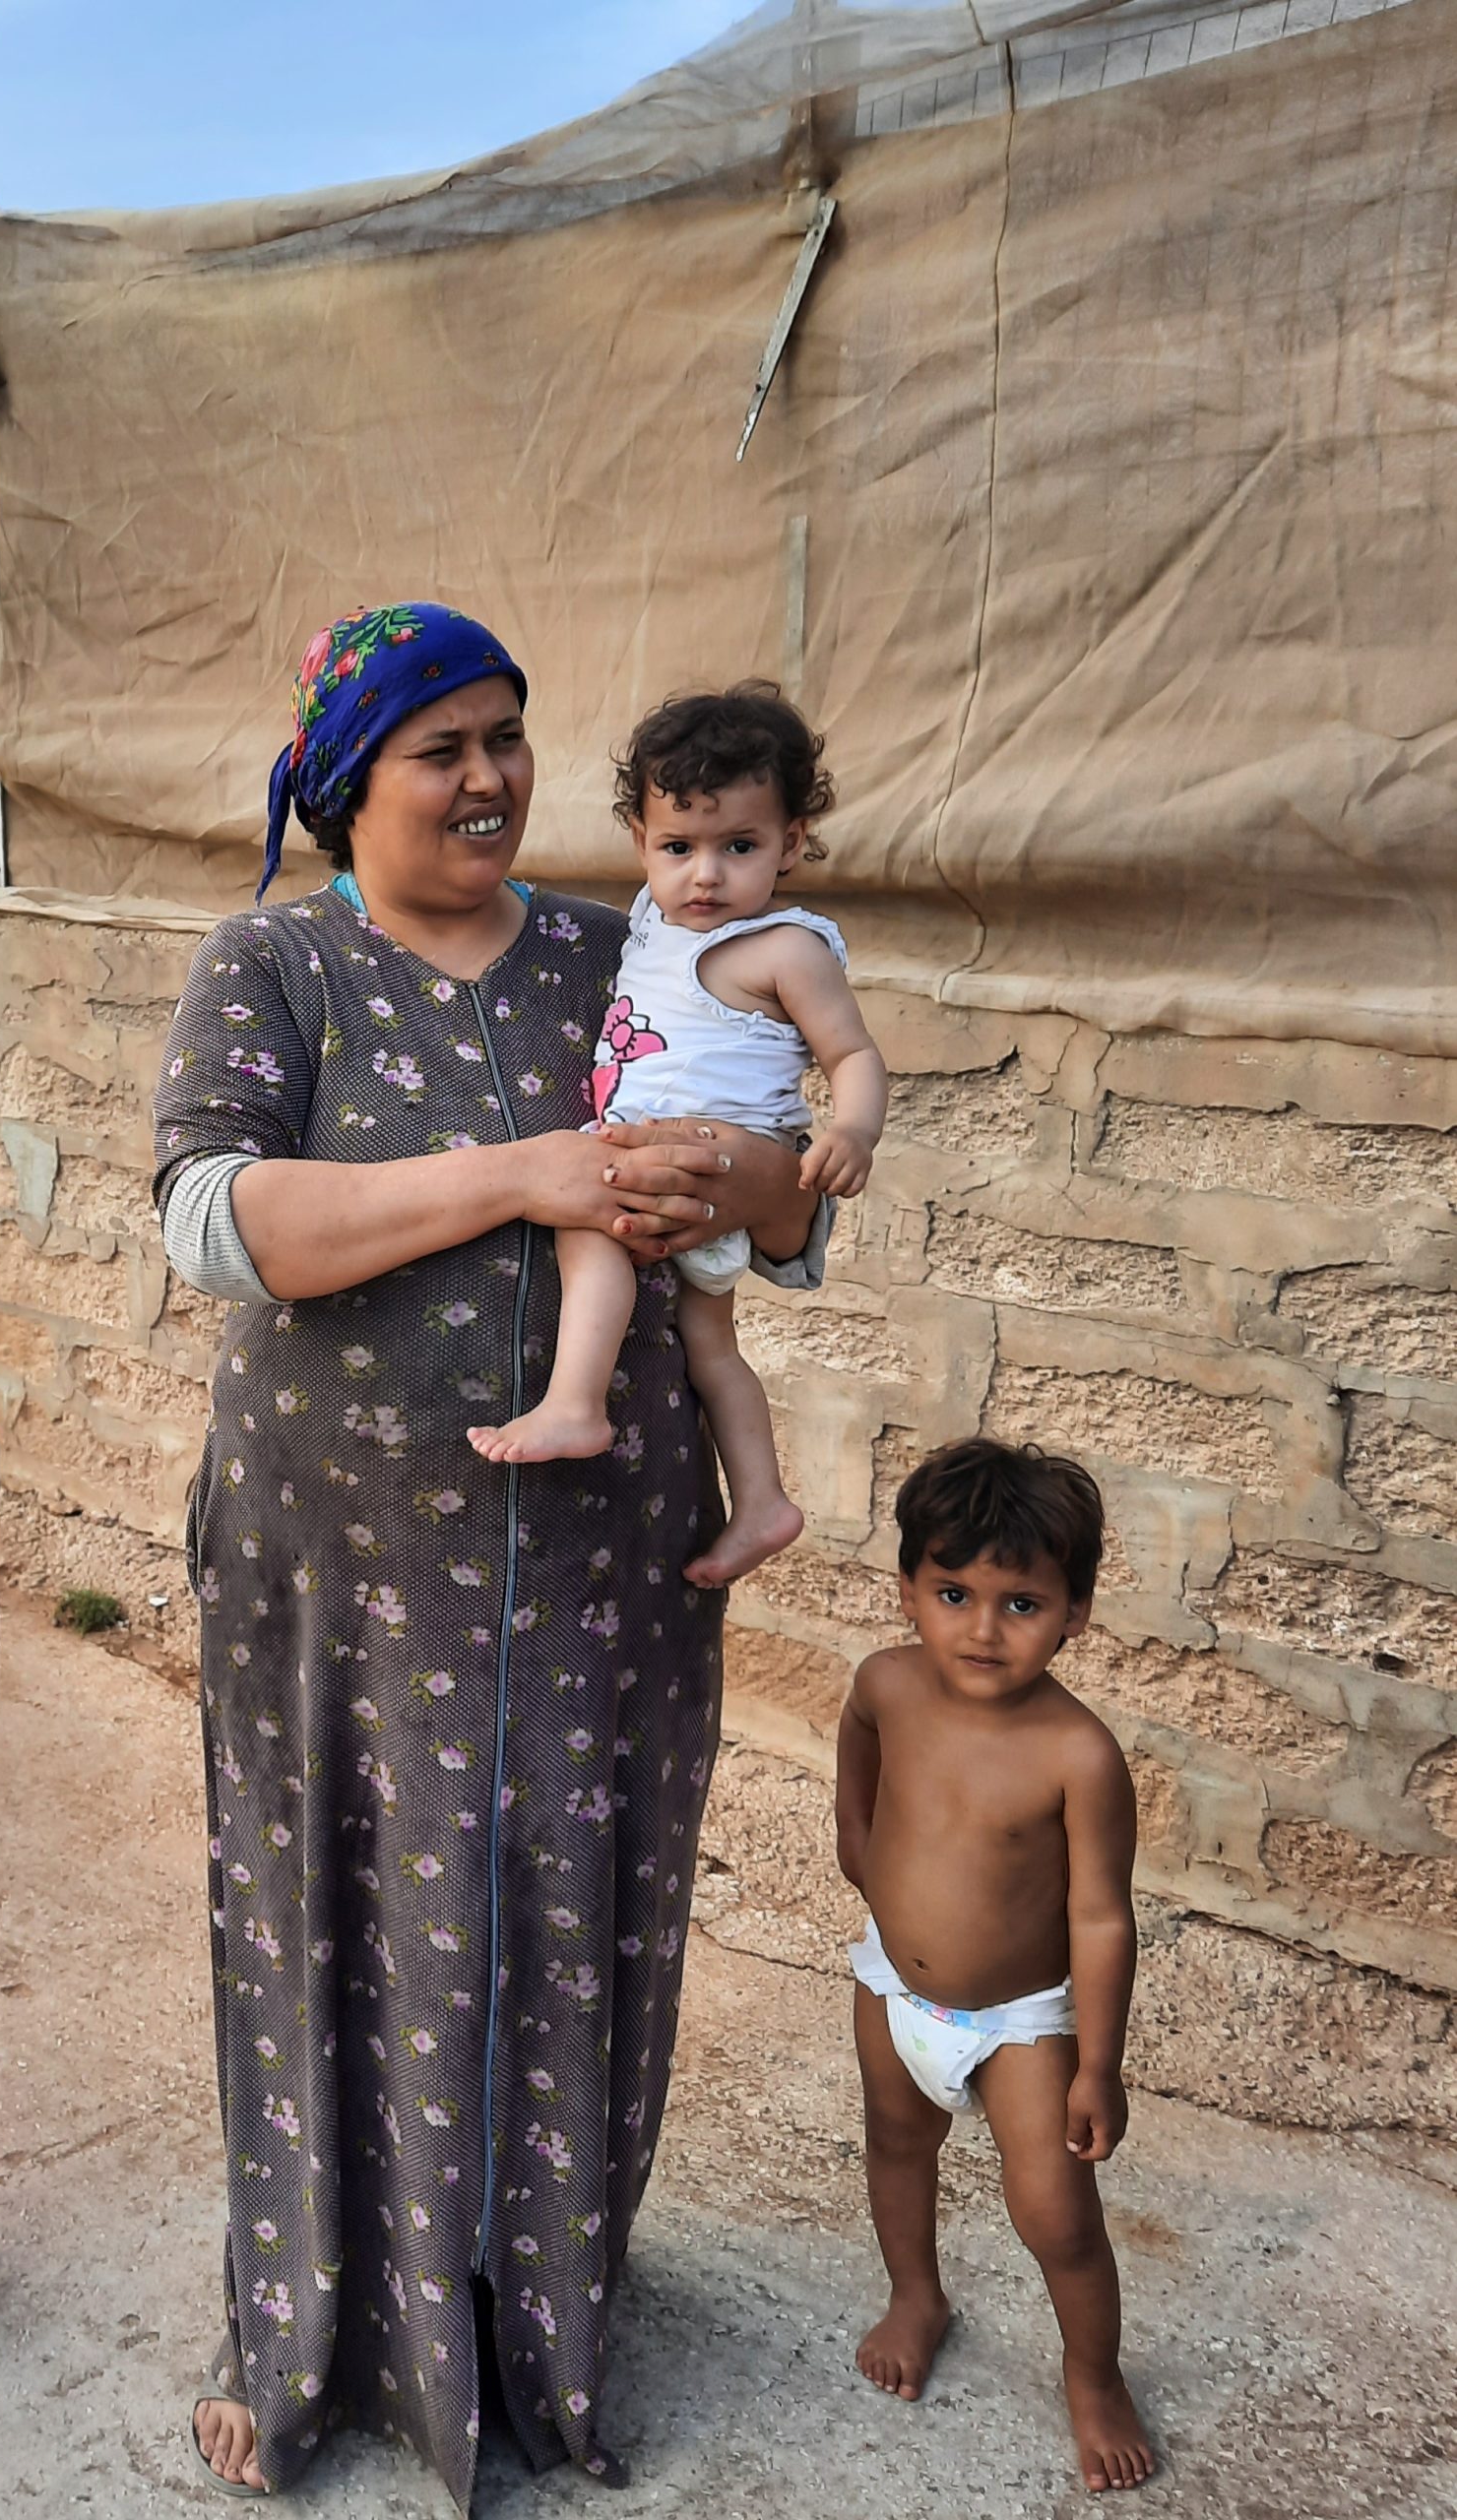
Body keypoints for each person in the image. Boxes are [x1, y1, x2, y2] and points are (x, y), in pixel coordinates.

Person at [156, 602, 815, 2509]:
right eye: (440, 745)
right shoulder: (274, 964)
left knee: (565, 1926)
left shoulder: (629, 950)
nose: (489, 776)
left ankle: (536, 2326)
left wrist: (739, 1179)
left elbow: (784, 1213)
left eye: (507, 735)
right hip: (337, 1580)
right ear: (346, 780)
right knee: (330, 1925)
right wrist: (525, 1174)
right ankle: (311, 2327)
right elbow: (213, 1222)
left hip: (599, 1574)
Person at [468, 684, 887, 1586]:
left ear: (791, 843)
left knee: (586, 1231)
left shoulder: (787, 949)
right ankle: (763, 1501)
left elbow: (851, 1052)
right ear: (640, 843)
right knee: (711, 1347)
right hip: (663, 1163)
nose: (704, 875)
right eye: (677, 847)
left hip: (717, 1166)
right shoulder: (650, 923)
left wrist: (852, 1130)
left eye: (738, 847)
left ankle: (574, 1402)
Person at [835, 1436, 1156, 2494]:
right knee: (895, 2142)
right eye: (952, 1594)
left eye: (1020, 1603)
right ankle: (915, 2296)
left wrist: (1096, 2064)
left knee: (1055, 2214)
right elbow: (857, 1738)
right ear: (907, 1591)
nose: (981, 1628)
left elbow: (1100, 1917)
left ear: (1074, 1612)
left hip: (1019, 2018)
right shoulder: (886, 1682)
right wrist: (854, 1835)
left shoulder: (1077, 1754)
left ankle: (1091, 2375)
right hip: (891, 1984)